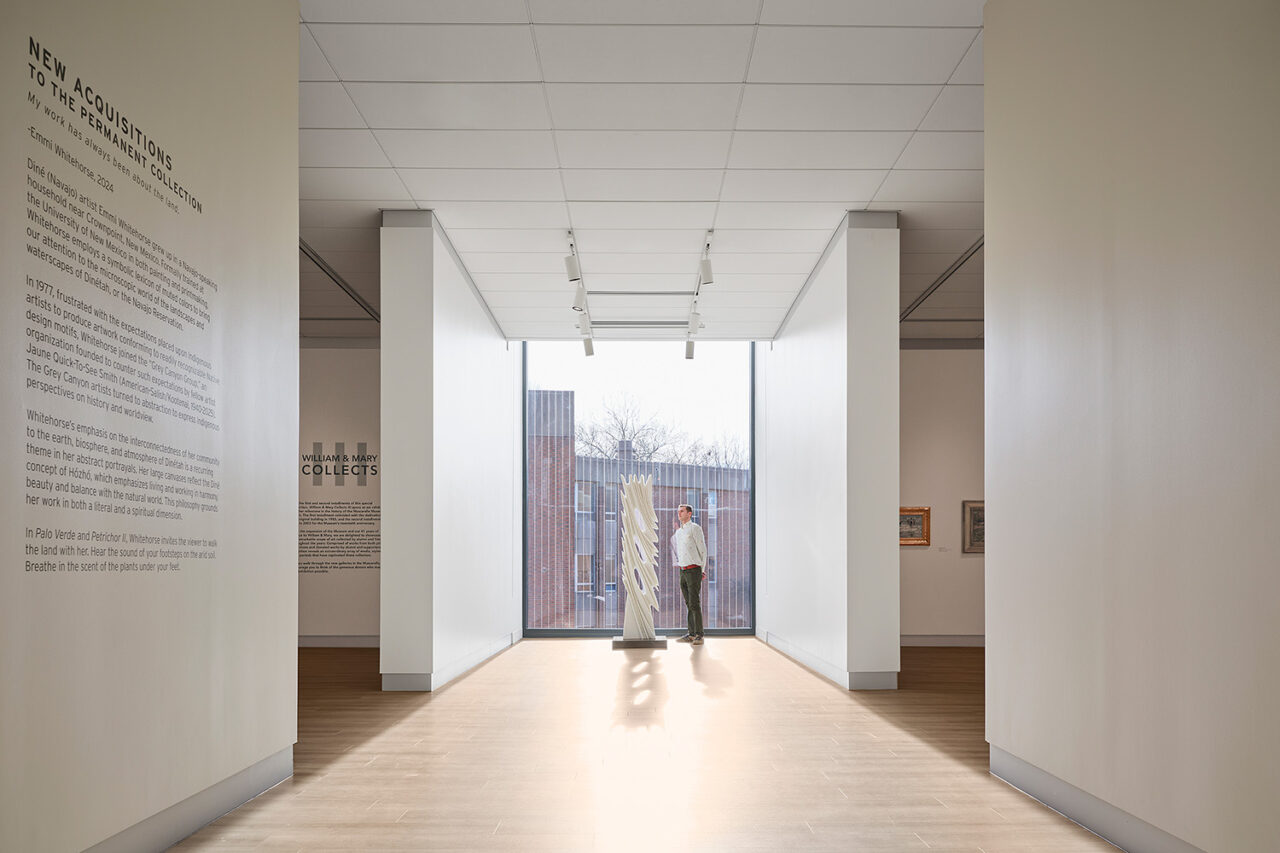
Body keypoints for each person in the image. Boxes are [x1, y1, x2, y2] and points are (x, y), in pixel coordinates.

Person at [672, 503, 707, 645]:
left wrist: (702, 569)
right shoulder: (678, 532)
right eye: (678, 511)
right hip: (683, 570)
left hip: (694, 570)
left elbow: (702, 550)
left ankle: (699, 634)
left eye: (682, 511)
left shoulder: (695, 529)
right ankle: (691, 633)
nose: (679, 514)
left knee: (694, 602)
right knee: (688, 603)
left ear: (689, 513)